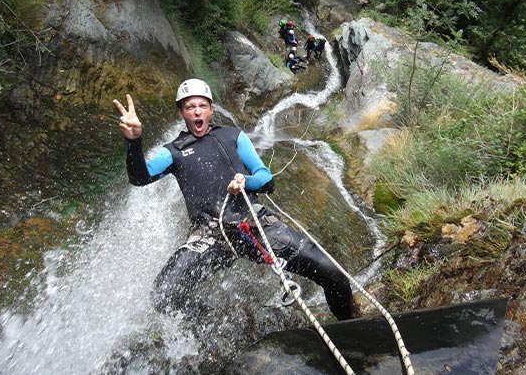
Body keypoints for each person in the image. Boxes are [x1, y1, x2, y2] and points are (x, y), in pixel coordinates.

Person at [112, 78, 352, 320]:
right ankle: (213, 325)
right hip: (210, 237)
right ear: (181, 113)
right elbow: (141, 177)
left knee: (333, 274)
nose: (197, 111)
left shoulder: (233, 137)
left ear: (211, 109)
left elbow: (266, 179)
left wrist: (246, 182)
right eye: (190, 107)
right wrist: (134, 142)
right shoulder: (173, 151)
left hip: (254, 225)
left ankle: (348, 327)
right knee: (163, 294)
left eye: (202, 106)